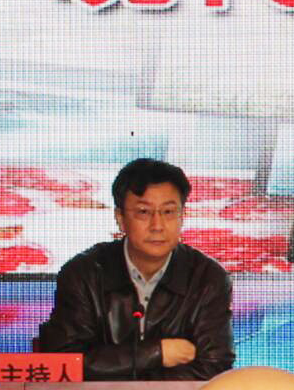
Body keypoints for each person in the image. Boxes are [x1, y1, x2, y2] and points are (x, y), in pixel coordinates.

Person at [39, 158, 235, 380]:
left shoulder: (208, 278)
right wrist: (157, 353)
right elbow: (64, 362)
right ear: (120, 218)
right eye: (143, 212)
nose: (157, 226)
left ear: (182, 216)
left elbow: (215, 367)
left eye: (168, 212)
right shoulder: (83, 274)